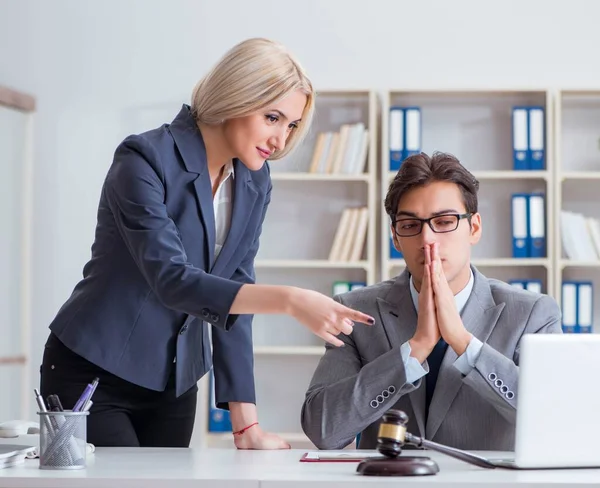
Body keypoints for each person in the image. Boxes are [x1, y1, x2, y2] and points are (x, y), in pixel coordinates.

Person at [40, 38, 374, 449]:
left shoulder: (254, 179)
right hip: (95, 372)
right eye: (272, 117)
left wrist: (246, 426)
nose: (281, 140)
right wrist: (290, 300)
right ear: (237, 94)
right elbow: (172, 280)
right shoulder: (143, 159)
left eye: (290, 125)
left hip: (174, 382)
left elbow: (237, 289)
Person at [301, 151, 562, 451]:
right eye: (411, 225)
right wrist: (414, 350)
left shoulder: (532, 313)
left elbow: (554, 422)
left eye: (444, 221)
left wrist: (466, 345)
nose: (427, 240)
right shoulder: (356, 311)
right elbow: (323, 430)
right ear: (396, 238)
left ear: (474, 227)